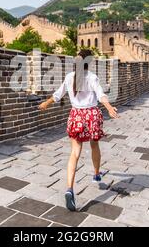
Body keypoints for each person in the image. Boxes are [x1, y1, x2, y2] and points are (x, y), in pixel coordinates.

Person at [39, 49, 120, 211]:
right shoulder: (91, 77)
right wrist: (109, 108)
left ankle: (69, 188)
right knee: (94, 146)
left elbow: (58, 94)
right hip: (91, 115)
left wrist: (45, 104)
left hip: (76, 115)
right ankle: (96, 175)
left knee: (75, 152)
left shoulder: (70, 77)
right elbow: (101, 95)